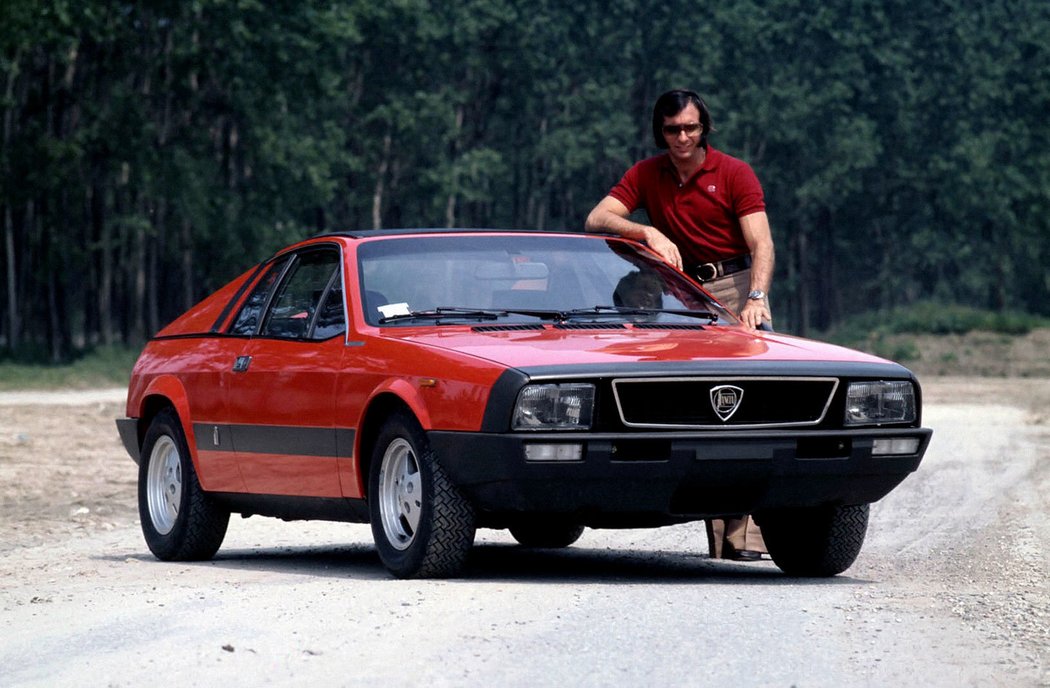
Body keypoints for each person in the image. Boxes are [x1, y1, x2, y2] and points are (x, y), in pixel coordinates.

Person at [585, 88, 774, 562]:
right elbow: (597, 218)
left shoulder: (733, 172)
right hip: (683, 295)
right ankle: (721, 536)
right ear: (661, 132)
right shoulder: (649, 173)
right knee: (703, 411)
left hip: (734, 289)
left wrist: (756, 297)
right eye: (672, 130)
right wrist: (647, 230)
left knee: (750, 409)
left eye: (690, 127)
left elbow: (762, 243)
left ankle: (747, 531)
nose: (682, 137)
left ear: (704, 128)